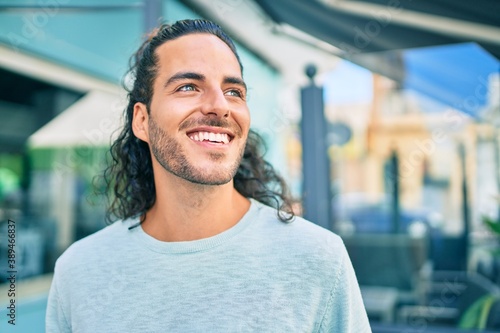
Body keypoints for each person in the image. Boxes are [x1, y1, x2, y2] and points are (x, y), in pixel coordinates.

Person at [46, 19, 371, 332]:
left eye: (234, 92)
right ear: (142, 121)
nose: (220, 105)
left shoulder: (318, 259)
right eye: (188, 86)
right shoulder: (79, 271)